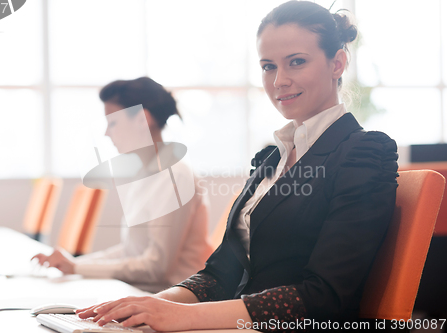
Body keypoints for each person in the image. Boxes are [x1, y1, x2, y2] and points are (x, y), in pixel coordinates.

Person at [75, 1, 398, 331]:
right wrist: (150, 305)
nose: (279, 80)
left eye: (296, 62)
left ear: (337, 64)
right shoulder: (272, 157)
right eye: (268, 66)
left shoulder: (364, 152)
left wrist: (182, 316)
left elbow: (323, 297)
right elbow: (218, 275)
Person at [32, 77, 213, 292]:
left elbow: (156, 268)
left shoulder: (175, 175)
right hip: (144, 292)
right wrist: (73, 264)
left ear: (143, 120)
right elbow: (130, 251)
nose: (106, 133)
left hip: (172, 299)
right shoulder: (144, 174)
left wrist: (78, 267)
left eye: (113, 122)